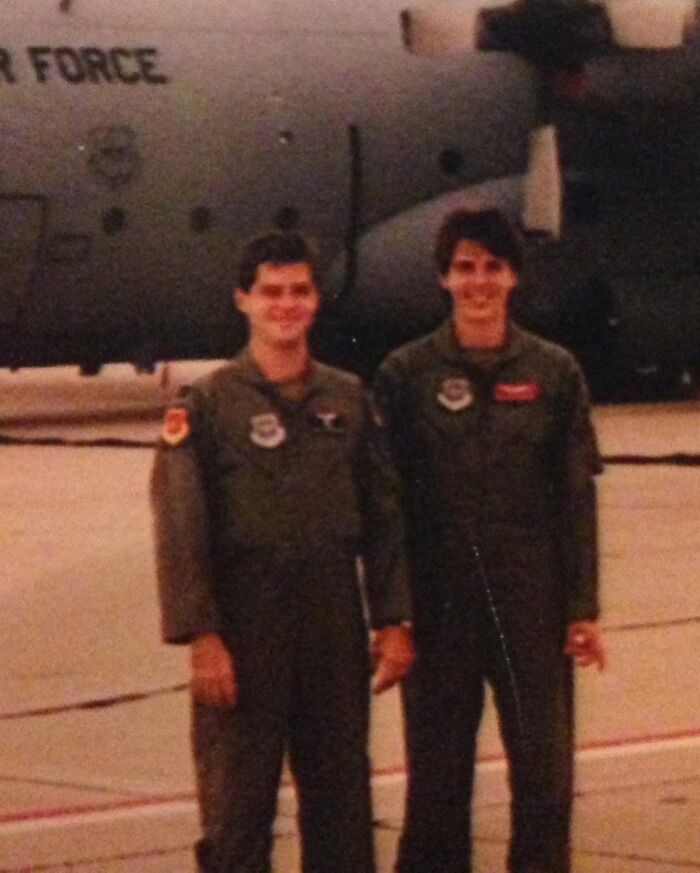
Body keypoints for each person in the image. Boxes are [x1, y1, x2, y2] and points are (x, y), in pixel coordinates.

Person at [151, 230, 415, 873]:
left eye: (299, 291)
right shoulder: (205, 405)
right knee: (238, 816)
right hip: (244, 630)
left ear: (317, 300)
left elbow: (384, 519)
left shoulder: (348, 398)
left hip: (331, 625)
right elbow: (180, 528)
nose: (286, 305)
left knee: (342, 811)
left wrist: (393, 619)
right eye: (271, 292)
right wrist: (202, 636)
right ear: (243, 300)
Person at [373, 207, 606, 873]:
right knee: (437, 785)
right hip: (440, 608)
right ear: (443, 278)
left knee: (544, 783)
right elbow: (387, 510)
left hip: (531, 607)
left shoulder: (555, 372)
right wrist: (393, 614)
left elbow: (575, 499)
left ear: (514, 277)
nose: (479, 282)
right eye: (465, 268)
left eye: (493, 268)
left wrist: (582, 608)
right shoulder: (404, 374)